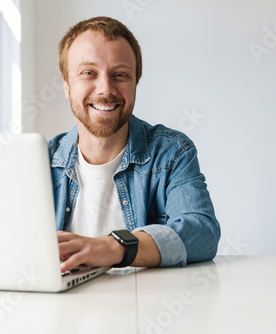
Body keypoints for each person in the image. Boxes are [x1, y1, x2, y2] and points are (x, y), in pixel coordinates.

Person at [48, 16, 220, 271]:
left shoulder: (172, 153)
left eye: (120, 74)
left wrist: (116, 247)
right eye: (88, 73)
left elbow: (202, 234)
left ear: (135, 82)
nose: (105, 89)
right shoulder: (39, 162)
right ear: (66, 85)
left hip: (148, 307)